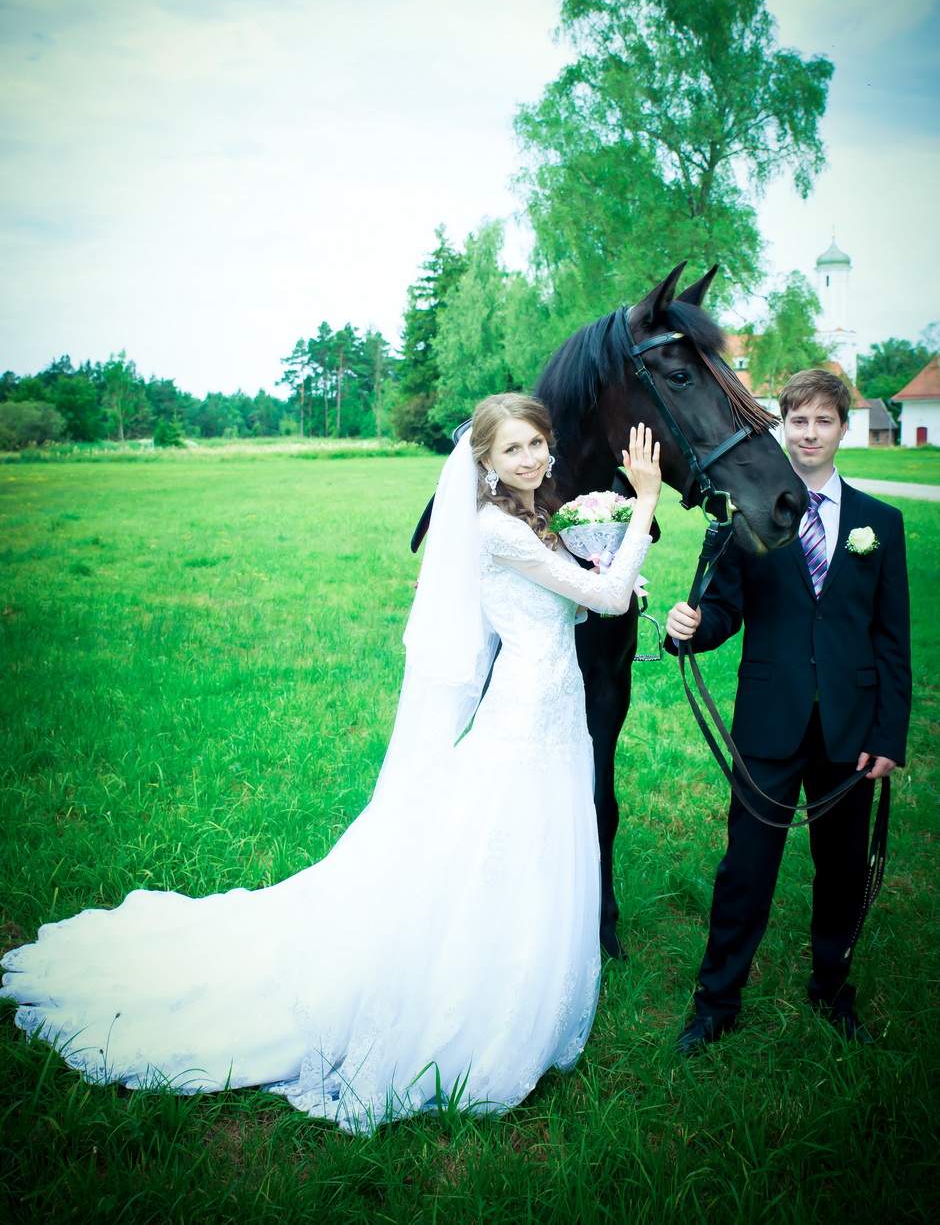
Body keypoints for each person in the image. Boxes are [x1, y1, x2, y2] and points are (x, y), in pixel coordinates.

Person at [2, 394, 662, 1133]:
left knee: (532, 856)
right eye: (514, 449)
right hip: (521, 722)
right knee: (500, 853)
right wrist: (642, 508)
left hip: (552, 715)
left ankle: (526, 985)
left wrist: (605, 568)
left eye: (539, 443)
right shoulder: (491, 525)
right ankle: (477, 1006)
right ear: (483, 461)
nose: (534, 458)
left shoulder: (527, 520)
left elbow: (567, 603)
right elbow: (601, 599)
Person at [665, 369, 911, 1053]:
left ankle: (832, 988)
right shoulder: (750, 516)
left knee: (842, 871)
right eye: (796, 422)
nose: (808, 434)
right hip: (768, 725)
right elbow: (722, 611)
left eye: (822, 422)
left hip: (851, 731)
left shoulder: (879, 525)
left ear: (843, 428)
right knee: (745, 868)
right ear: (783, 427)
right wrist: (692, 625)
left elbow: (892, 643)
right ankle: (717, 1001)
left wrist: (888, 734)